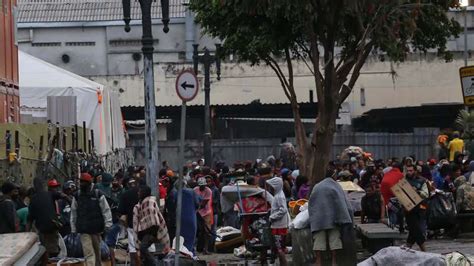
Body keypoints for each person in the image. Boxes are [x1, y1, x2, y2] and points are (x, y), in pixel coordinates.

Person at [309, 169, 354, 266]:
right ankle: (334, 262)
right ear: (333, 175)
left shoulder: (317, 186)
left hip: (319, 219)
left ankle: (318, 262)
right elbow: (342, 202)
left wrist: (314, 216)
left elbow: (311, 202)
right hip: (334, 219)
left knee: (318, 241)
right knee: (335, 241)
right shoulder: (336, 186)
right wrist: (348, 216)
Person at [71, 173, 113, 266]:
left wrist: (108, 224)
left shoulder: (98, 194)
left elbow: (106, 210)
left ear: (89, 183)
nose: (82, 184)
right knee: (89, 254)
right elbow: (73, 213)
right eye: (81, 182)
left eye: (84, 182)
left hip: (96, 230)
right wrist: (73, 228)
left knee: (97, 253)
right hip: (83, 230)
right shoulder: (77, 195)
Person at [133, 185, 170, 265]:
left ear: (144, 193)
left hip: (152, 230)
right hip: (146, 231)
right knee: (143, 252)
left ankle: (155, 264)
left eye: (140, 191)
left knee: (143, 248)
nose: (138, 193)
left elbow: (153, 218)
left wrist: (151, 229)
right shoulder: (141, 204)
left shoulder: (149, 202)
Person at [28, 178, 62, 260]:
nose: (55, 189)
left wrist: (27, 233)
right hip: (51, 226)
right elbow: (62, 195)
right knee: (52, 250)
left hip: (44, 228)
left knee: (46, 250)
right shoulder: (49, 195)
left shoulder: (33, 199)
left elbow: (30, 219)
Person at [266, 177, 290, 266]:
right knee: (280, 248)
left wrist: (272, 217)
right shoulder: (278, 195)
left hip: (278, 226)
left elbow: (283, 210)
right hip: (279, 225)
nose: (269, 188)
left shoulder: (279, 196)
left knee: (279, 248)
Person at [404, 165, 429, 251]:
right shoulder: (405, 181)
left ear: (415, 171)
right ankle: (410, 246)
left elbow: (426, 194)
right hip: (408, 209)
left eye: (411, 170)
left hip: (420, 208)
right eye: (407, 171)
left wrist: (417, 191)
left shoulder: (422, 181)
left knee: (415, 228)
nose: (409, 172)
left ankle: (412, 247)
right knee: (413, 228)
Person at [118, 178, 140, 266]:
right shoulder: (143, 193)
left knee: (132, 247)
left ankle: (134, 264)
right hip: (144, 224)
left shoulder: (125, 195)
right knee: (146, 246)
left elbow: (121, 211)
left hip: (131, 225)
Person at [194, 176, 213, 254]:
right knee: (197, 230)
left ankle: (206, 248)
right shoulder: (195, 190)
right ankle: (197, 247)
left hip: (206, 213)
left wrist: (196, 207)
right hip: (197, 212)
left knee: (207, 231)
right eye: (201, 185)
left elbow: (204, 203)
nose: (203, 187)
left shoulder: (208, 191)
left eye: (204, 185)